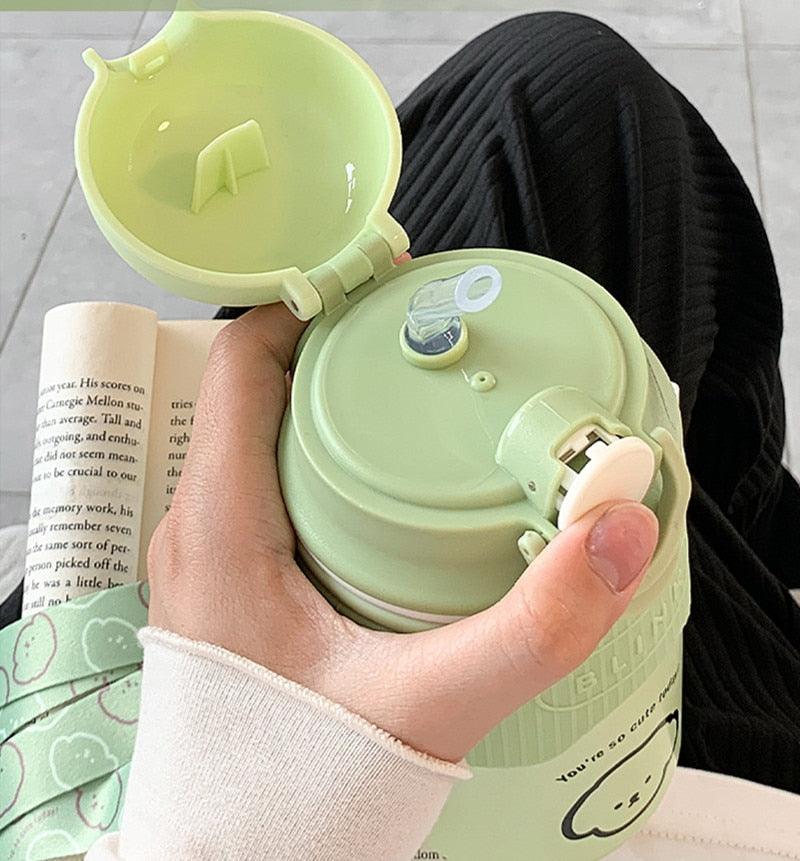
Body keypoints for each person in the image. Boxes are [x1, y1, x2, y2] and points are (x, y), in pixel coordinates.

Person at [1, 11, 799, 860]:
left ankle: (753, 528)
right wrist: (238, 830)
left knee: (569, 83)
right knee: (559, 108)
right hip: (626, 778)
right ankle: (753, 534)